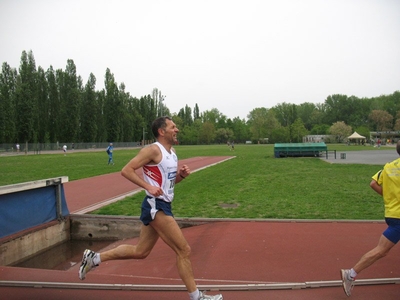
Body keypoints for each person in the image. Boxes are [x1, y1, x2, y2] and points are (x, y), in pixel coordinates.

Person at [78, 116, 223, 300]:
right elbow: (126, 170)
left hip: (163, 204)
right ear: (162, 132)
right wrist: (148, 186)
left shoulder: (172, 152)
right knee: (183, 250)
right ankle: (197, 297)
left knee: (141, 251)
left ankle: (95, 258)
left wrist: (181, 176)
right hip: (156, 207)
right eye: (173, 127)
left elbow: (167, 183)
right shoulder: (153, 150)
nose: (176, 129)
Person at [340, 140, 400, 296]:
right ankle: (351, 274)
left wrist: (388, 198)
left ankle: (351, 273)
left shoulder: (388, 167)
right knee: (381, 250)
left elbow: (373, 183)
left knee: (382, 250)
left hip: (392, 214)